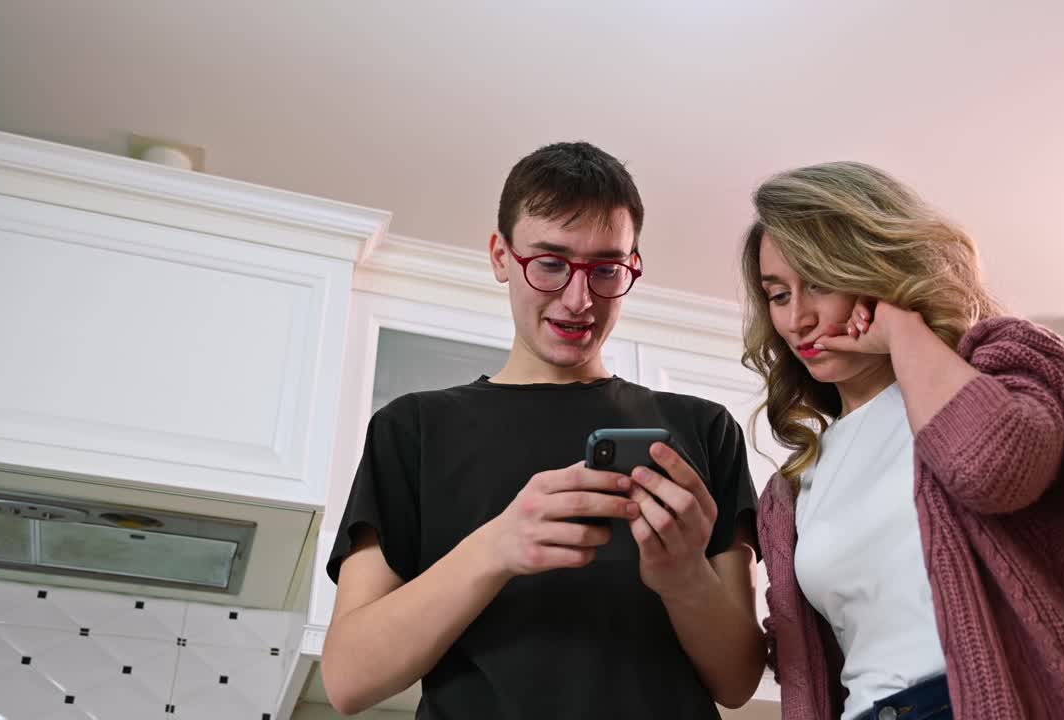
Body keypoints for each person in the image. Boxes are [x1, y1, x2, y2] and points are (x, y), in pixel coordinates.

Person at [321, 141, 764, 719]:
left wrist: (684, 577)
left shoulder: (704, 429)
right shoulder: (412, 429)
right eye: (551, 263)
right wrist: (496, 548)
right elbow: (348, 679)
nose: (579, 300)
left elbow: (737, 681)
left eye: (606, 270)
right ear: (501, 256)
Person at [742, 161, 1064, 719]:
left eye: (819, 282)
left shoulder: (1003, 365)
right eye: (778, 295)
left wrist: (902, 327)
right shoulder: (792, 488)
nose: (798, 319)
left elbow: (992, 470)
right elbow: (805, 667)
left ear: (873, 267)